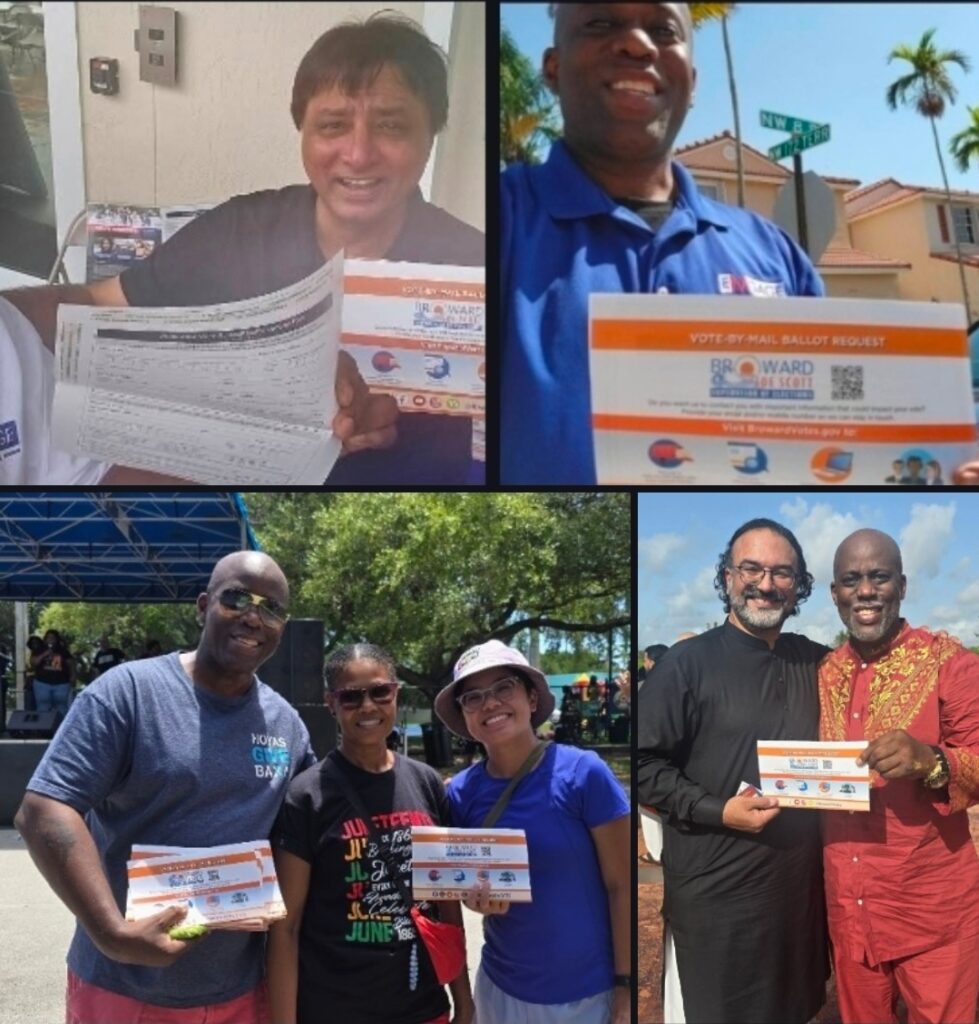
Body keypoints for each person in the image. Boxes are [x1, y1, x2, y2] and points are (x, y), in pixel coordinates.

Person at [2, 12, 483, 486]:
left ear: (430, 134)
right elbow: (99, 303)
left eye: (392, 127)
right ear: (303, 133)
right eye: (333, 126)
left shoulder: (482, 270)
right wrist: (8, 313)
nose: (358, 153)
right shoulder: (237, 235)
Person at [501, 3, 824, 484]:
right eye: (600, 23)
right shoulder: (493, 222)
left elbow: (833, 444)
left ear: (691, 82)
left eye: (663, 29)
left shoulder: (777, 257)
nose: (637, 43)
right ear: (553, 67)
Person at [14, 551, 316, 1024]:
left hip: (242, 991)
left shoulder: (287, 726)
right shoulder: (128, 692)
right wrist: (113, 934)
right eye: (237, 598)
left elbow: (310, 834)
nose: (254, 617)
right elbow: (44, 809)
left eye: (271, 608)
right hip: (123, 988)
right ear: (202, 606)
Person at [637, 518, 829, 1023]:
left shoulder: (814, 662)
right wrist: (719, 809)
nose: (766, 584)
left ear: (799, 586)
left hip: (797, 893)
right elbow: (642, 765)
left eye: (782, 573)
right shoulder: (686, 664)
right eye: (752, 568)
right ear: (727, 577)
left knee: (794, 1007)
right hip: (717, 895)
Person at [820, 529, 979, 1024]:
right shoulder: (824, 672)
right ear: (835, 593)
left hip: (931, 913)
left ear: (903, 585)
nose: (865, 591)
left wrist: (931, 762)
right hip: (850, 912)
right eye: (851, 580)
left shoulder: (949, 663)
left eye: (879, 577)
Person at [269, 643, 473, 1024]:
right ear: (331, 703)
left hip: (422, 1004)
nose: (368, 706)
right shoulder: (307, 795)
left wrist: (463, 998)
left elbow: (446, 903)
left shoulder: (426, 783)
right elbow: (287, 927)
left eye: (380, 692)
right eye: (351, 696)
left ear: (395, 694)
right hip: (335, 1008)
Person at [435, 640, 631, 1024]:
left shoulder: (584, 774)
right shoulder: (459, 794)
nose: (490, 704)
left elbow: (621, 885)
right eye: (472, 698)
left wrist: (624, 990)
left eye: (503, 687)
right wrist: (471, 899)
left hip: (589, 998)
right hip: (500, 994)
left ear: (530, 695)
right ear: (464, 716)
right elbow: (450, 882)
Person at [30, 628, 76, 717]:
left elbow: (71, 663)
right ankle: (43, 729)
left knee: (62, 708)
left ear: (57, 639)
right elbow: (34, 662)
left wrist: (73, 676)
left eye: (53, 638)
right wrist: (45, 654)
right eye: (48, 638)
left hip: (61, 684)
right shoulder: (39, 649)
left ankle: (61, 729)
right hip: (42, 683)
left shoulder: (62, 650)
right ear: (45, 639)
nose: (50, 640)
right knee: (42, 708)